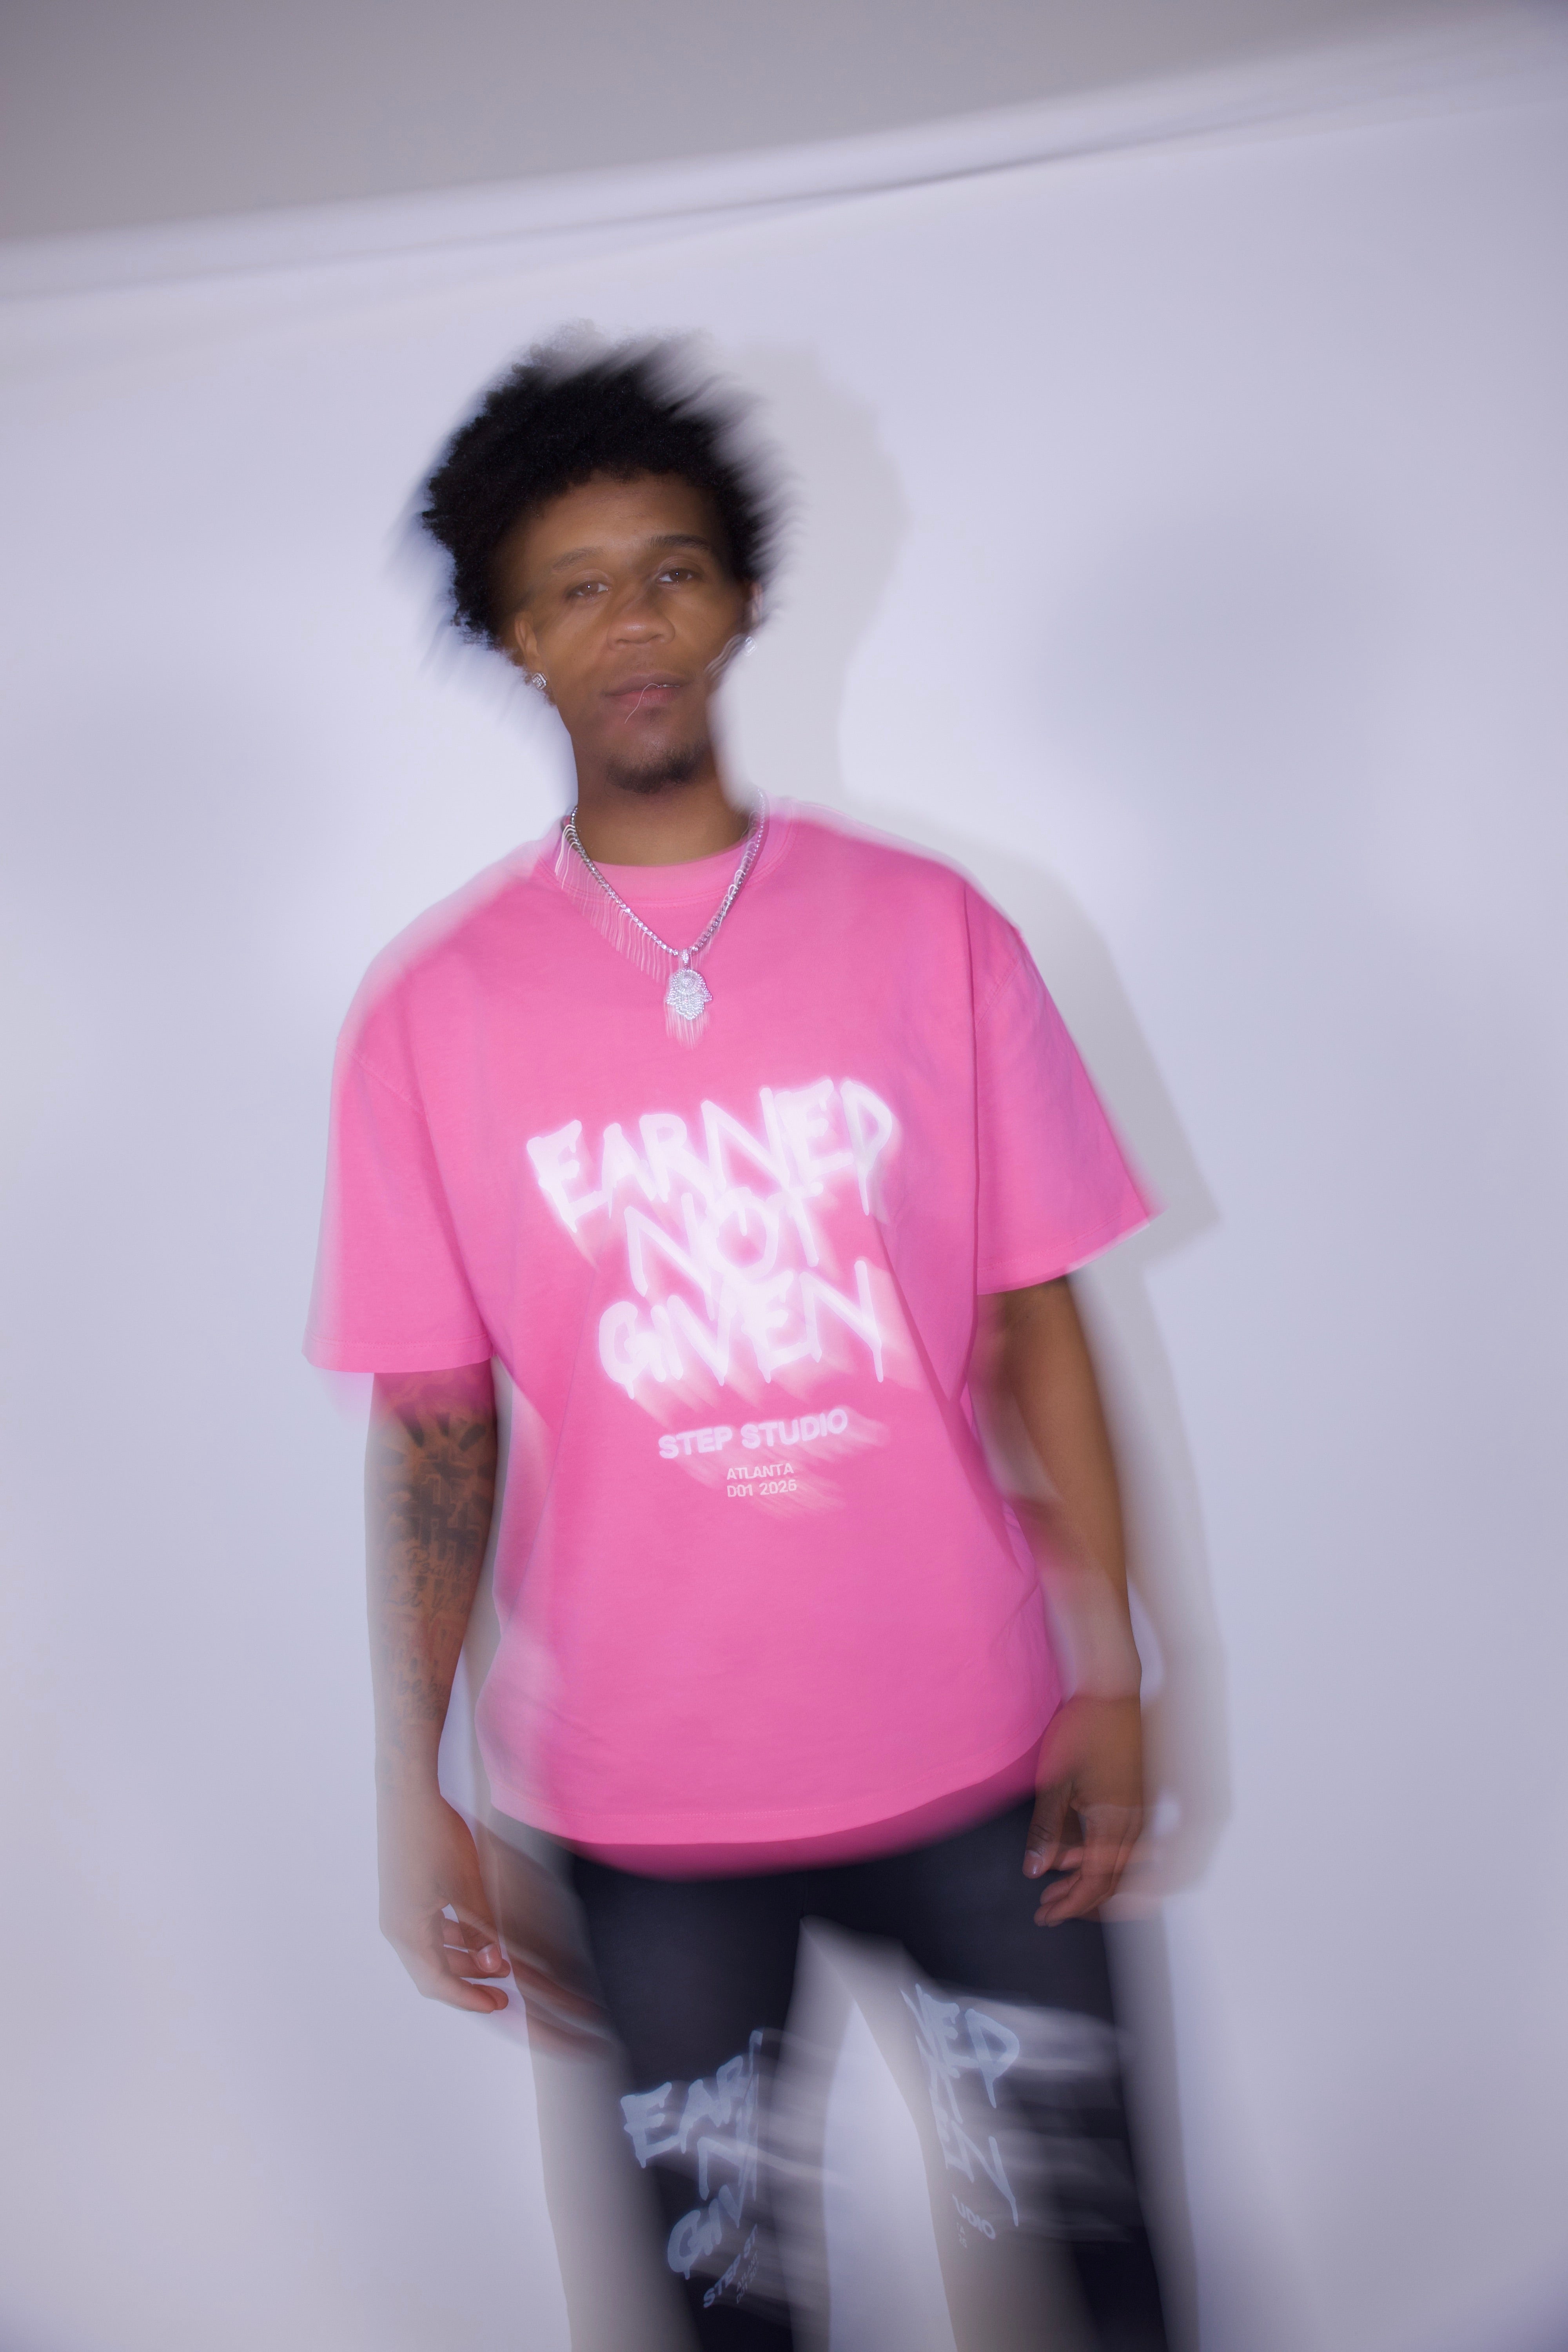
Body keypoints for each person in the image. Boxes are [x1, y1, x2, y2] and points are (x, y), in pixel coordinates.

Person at [307, 336, 1171, 2348]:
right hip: (643, 1808)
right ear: (515, 638)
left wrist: (1115, 1666)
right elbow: (434, 1424)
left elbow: (1035, 1319)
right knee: (720, 2320)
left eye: (671, 571)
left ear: (742, 601)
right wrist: (414, 1774)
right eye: (575, 587)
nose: (632, 621)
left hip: (979, 1758)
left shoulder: (929, 932)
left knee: (1101, 2286)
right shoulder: (431, 1017)